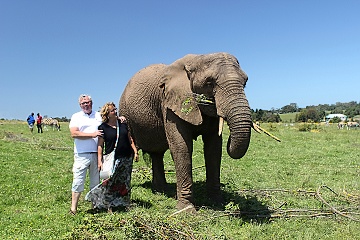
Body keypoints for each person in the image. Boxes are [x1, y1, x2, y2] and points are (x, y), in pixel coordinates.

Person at [85, 102, 138, 213]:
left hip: (127, 157)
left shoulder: (123, 124)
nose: (115, 111)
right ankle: (108, 204)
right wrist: (100, 161)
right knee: (110, 182)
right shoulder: (103, 128)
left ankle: (124, 203)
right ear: (107, 114)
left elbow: (130, 138)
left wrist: (135, 151)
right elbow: (100, 146)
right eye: (112, 110)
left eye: (115, 109)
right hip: (113, 159)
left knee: (126, 181)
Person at [69, 94, 103, 215]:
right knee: (78, 181)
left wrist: (121, 118)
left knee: (95, 182)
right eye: (83, 103)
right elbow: (74, 133)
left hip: (96, 154)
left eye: (88, 102)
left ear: (92, 103)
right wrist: (92, 135)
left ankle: (96, 206)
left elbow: (110, 122)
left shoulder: (98, 115)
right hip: (81, 154)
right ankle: (73, 209)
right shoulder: (76, 117)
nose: (86, 105)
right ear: (80, 105)